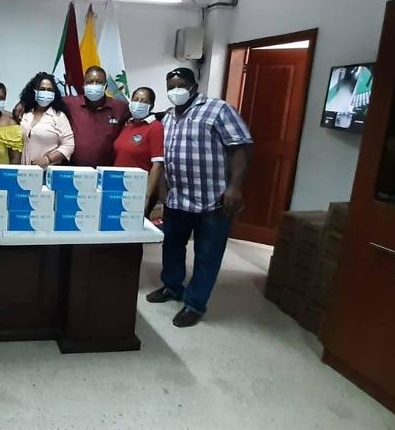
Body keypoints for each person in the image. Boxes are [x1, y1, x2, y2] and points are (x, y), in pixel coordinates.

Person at [147, 67, 253, 328]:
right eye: (171, 87)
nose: (175, 91)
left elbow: (240, 147)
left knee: (207, 254)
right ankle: (172, 286)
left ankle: (194, 304)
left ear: (193, 86)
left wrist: (235, 186)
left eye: (181, 85)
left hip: (213, 199)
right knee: (172, 247)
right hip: (178, 198)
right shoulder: (168, 117)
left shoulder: (218, 109)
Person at [113, 86, 165, 219]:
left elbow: (158, 165)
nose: (138, 103)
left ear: (151, 106)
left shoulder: (155, 127)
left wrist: (146, 197)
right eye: (135, 99)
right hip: (118, 186)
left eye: (144, 101)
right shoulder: (127, 124)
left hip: (138, 190)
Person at [62, 66, 130, 167]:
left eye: (99, 82)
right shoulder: (70, 103)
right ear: (84, 85)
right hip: (73, 169)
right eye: (90, 82)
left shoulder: (120, 107)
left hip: (106, 170)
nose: (94, 85)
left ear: (106, 86)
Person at [18, 72, 74, 167]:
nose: (46, 92)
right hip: (22, 170)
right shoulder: (24, 113)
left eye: (50, 90)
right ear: (34, 91)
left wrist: (47, 159)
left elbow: (69, 145)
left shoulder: (59, 116)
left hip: (47, 171)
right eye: (42, 89)